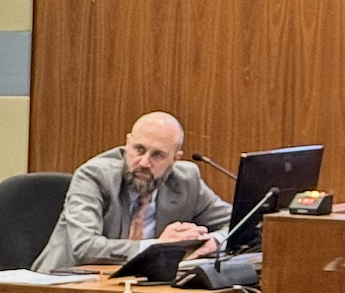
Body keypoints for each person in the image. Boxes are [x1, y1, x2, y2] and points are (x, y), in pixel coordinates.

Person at [31, 112, 231, 272]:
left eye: (158, 155)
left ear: (175, 159)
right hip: (64, 285)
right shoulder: (94, 176)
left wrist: (214, 241)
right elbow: (84, 248)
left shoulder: (186, 180)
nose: (144, 162)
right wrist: (159, 247)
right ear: (127, 143)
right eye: (139, 149)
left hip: (140, 288)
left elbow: (242, 222)